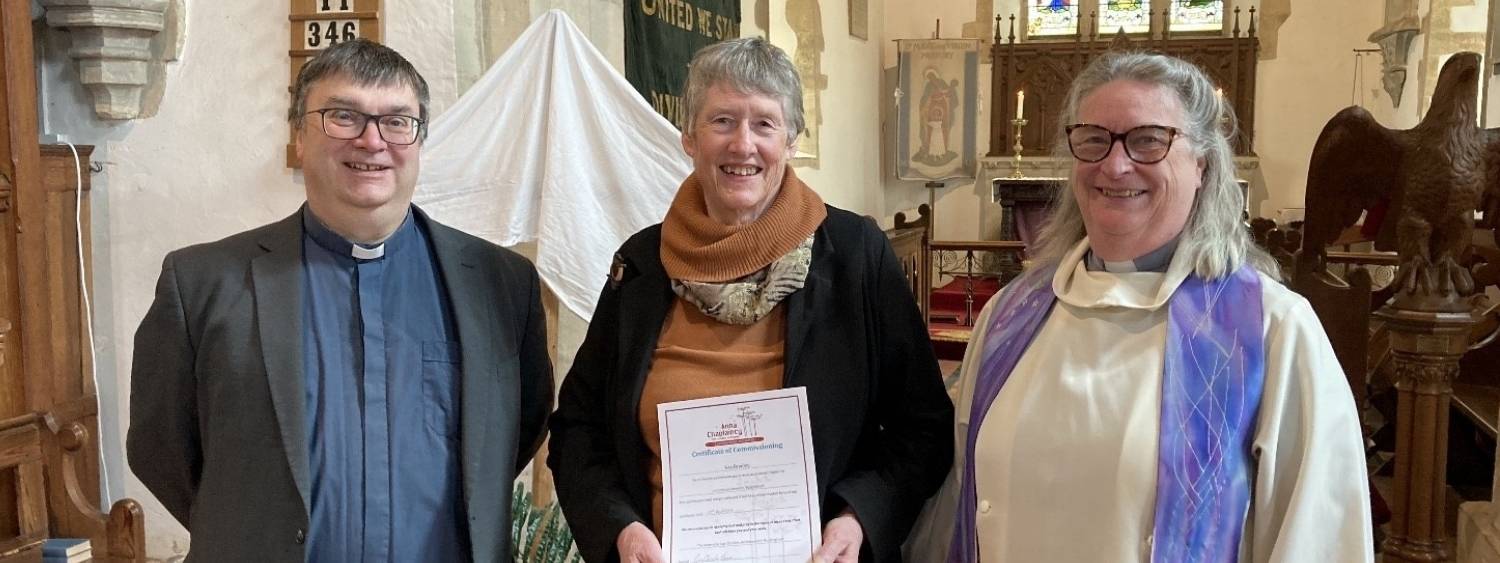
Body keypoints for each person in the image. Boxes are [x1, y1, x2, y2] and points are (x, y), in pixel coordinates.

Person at [906, 52, 1374, 561]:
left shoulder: (1271, 329)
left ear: (1202, 163)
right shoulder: (1008, 315)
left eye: (1149, 139)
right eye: (1093, 140)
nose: (1114, 164)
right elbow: (960, 497)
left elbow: (1319, 538)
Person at [126, 39, 553, 562]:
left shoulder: (501, 285)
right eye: (343, 116)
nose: (372, 141)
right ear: (298, 135)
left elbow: (511, 434)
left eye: (397, 121)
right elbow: (160, 448)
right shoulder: (201, 284)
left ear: (419, 139)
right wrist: (249, 527)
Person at [548, 37, 953, 563]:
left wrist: (858, 521)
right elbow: (578, 429)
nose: (743, 145)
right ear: (688, 138)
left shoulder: (855, 256)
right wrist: (622, 531)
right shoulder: (642, 264)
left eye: (764, 123)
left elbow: (922, 426)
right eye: (721, 121)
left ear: (790, 140)